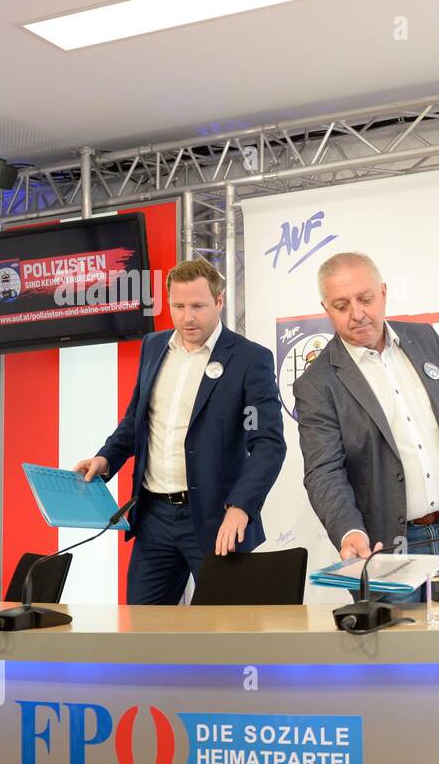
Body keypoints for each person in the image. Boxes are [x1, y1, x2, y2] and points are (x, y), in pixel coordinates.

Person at [73, 258, 285, 605]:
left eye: (198, 306)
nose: (188, 317)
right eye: (179, 306)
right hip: (153, 517)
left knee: (225, 631)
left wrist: (241, 508)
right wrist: (105, 458)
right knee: (144, 631)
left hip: (218, 520)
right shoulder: (153, 347)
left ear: (219, 302)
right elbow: (136, 420)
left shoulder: (249, 360)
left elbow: (268, 444)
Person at [294, 252, 439, 602]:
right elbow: (324, 471)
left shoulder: (425, 339)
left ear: (383, 293)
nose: (357, 313)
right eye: (341, 305)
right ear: (327, 309)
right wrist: (348, 531)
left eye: (365, 299)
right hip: (385, 553)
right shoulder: (317, 383)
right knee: (399, 656)